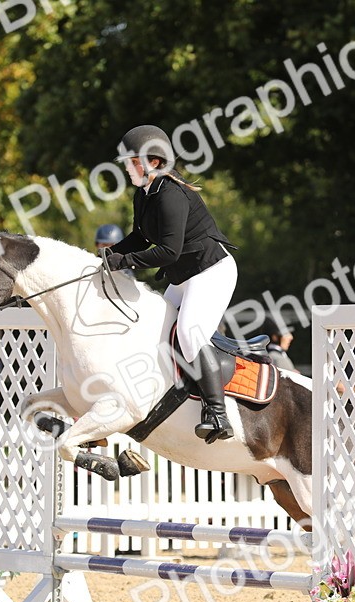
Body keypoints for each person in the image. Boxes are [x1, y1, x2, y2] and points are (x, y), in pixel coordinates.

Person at [100, 124, 238, 443]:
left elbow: (167, 251)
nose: (126, 166)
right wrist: (105, 257)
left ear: (156, 162)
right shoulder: (145, 194)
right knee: (155, 331)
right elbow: (138, 237)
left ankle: (218, 414)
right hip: (185, 276)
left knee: (189, 334)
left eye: (133, 160)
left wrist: (121, 262)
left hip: (211, 271)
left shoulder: (171, 195)